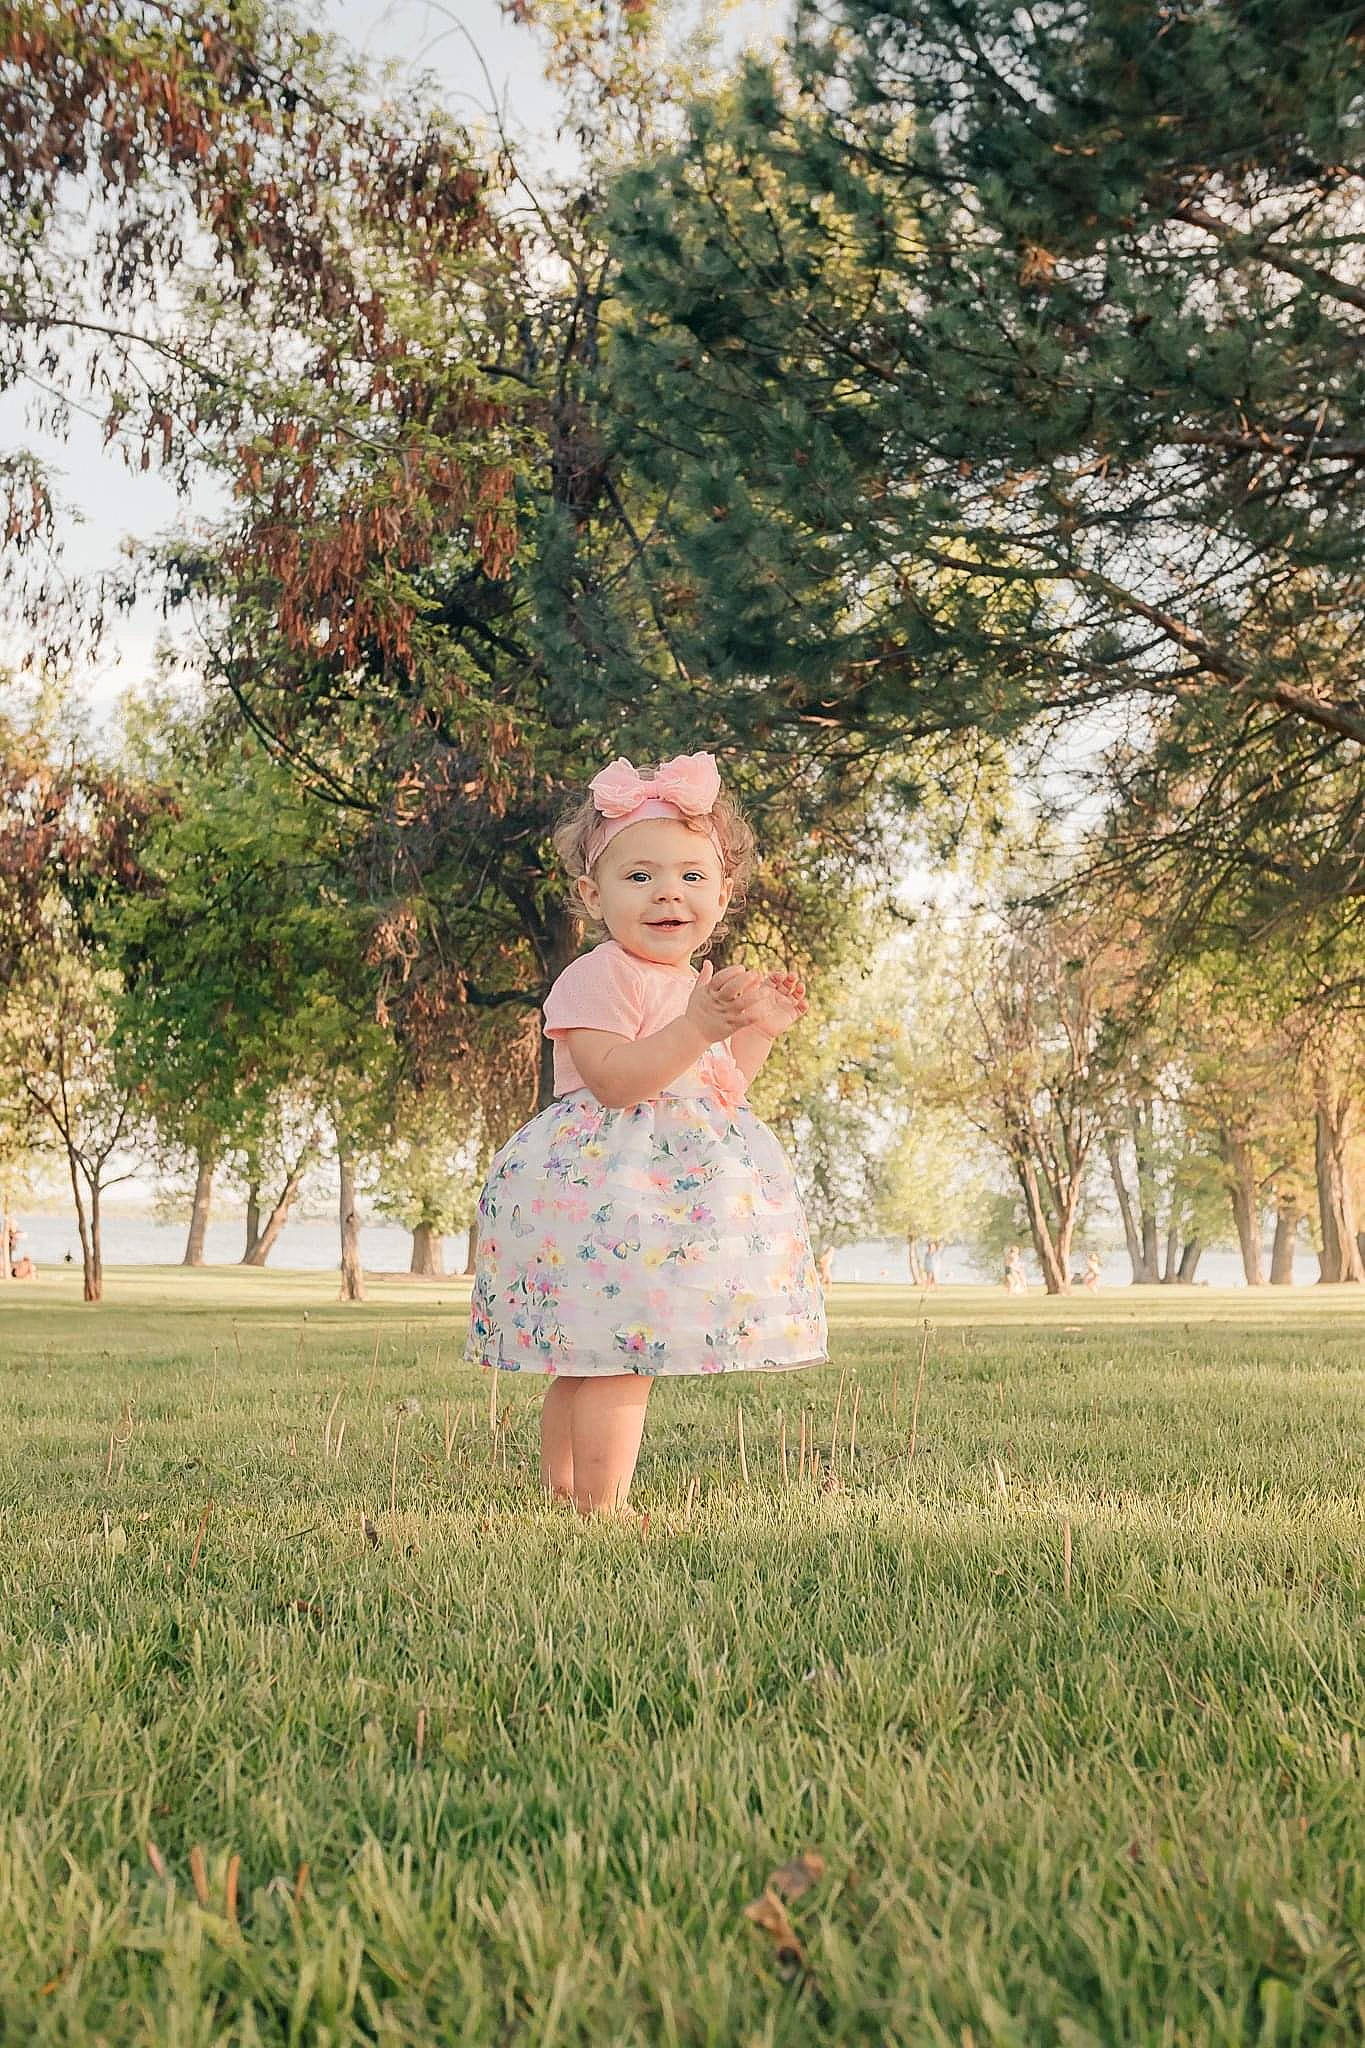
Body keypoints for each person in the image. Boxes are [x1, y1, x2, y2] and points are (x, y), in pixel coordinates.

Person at [466, 750, 828, 1516]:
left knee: (595, 1354)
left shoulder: (693, 986)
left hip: (655, 1197)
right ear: (592, 895)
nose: (668, 892)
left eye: (692, 877)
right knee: (619, 1355)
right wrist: (697, 1026)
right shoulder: (598, 975)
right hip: (604, 1186)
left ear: (723, 895)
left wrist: (757, 1029)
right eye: (640, 877)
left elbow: (720, 1089)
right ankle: (600, 1505)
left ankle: (566, 1494)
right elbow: (618, 1079)